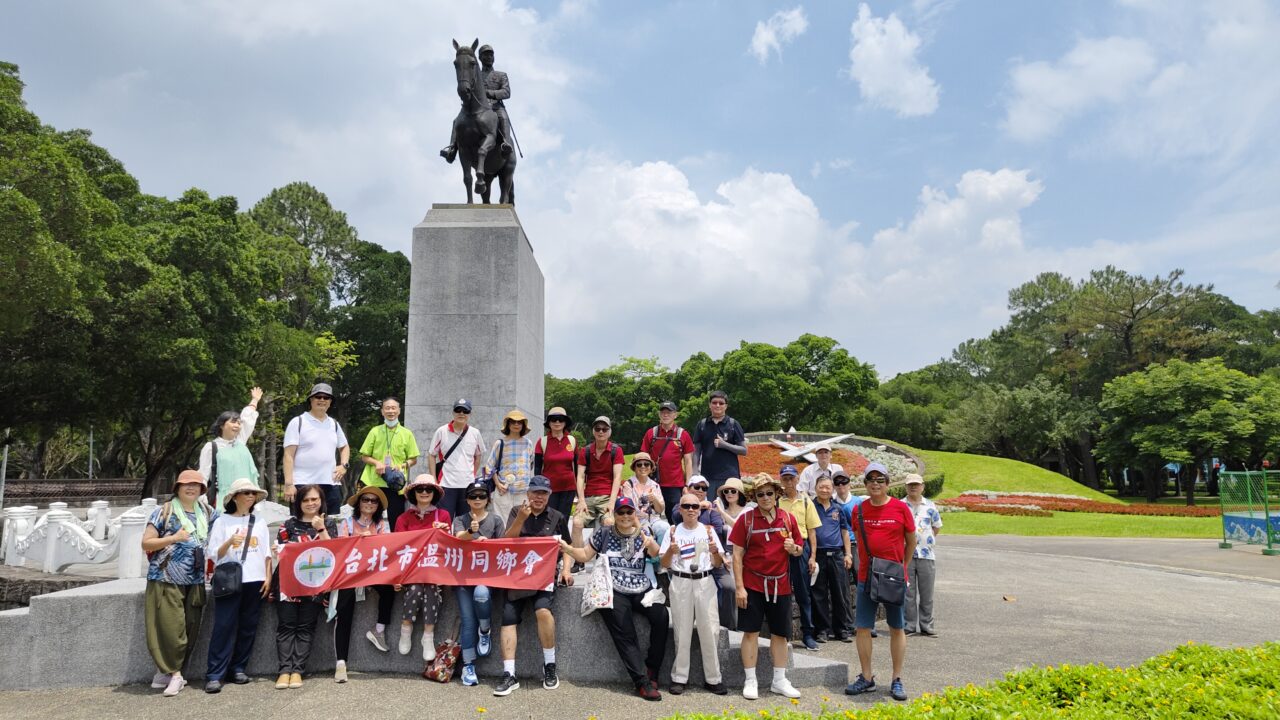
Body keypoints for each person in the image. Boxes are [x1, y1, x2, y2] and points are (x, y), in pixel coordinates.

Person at [563, 497, 667, 701]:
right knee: (624, 629)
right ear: (615, 515)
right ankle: (642, 682)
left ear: (635, 514)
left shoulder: (644, 532)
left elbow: (657, 556)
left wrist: (649, 540)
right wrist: (566, 549)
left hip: (641, 587)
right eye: (621, 512)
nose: (626, 516)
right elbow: (584, 555)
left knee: (661, 616)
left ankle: (652, 670)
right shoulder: (604, 532)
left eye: (630, 512)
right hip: (613, 587)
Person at [494, 475, 574, 696]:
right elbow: (506, 541)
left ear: (549, 495)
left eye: (544, 493)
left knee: (543, 611)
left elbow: (566, 547)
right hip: (517, 576)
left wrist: (566, 569)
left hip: (544, 575)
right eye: (535, 492)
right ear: (528, 493)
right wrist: (521, 518)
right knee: (508, 617)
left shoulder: (557, 516)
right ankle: (509, 674)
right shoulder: (515, 512)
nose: (539, 497)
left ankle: (549, 666)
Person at [845, 462, 916, 702]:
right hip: (866, 576)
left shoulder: (900, 508)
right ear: (865, 484)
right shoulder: (859, 510)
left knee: (897, 627)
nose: (875, 483)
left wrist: (902, 567)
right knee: (863, 627)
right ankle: (866, 677)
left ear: (887, 484)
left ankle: (896, 679)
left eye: (880, 480)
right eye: (871, 479)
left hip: (893, 577)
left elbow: (911, 541)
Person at [142, 470, 216, 697]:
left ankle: (167, 672)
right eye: (186, 485)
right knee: (171, 628)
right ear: (177, 488)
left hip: (194, 579)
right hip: (166, 578)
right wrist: (173, 538)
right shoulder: (163, 512)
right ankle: (175, 675)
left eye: (196, 485)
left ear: (202, 490)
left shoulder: (207, 512)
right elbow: (146, 543)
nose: (191, 488)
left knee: (190, 629)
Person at [728, 474, 802, 700]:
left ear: (777, 494)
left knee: (781, 634)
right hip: (753, 585)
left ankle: (779, 680)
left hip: (781, 585)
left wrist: (794, 549)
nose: (765, 497)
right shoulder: (746, 520)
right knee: (750, 633)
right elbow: (737, 555)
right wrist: (739, 588)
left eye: (769, 493)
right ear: (754, 497)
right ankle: (751, 680)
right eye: (760, 494)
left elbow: (799, 548)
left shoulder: (788, 519)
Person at [203, 478, 272, 693]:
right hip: (230, 579)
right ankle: (215, 673)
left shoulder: (259, 521)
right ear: (234, 497)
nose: (250, 497)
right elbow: (214, 553)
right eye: (245, 493)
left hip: (256, 578)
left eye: (253, 493)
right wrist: (229, 542)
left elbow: (266, 552)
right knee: (224, 626)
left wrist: (268, 577)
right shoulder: (222, 521)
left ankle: (239, 667)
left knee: (248, 626)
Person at [660, 492, 728, 696]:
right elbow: (664, 564)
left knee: (710, 630)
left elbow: (717, 564)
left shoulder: (708, 530)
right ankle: (679, 677)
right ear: (680, 509)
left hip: (705, 581)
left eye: (695, 506)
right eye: (687, 506)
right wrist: (671, 551)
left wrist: (716, 552)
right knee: (682, 630)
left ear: (700, 510)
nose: (691, 509)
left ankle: (713, 678)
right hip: (681, 581)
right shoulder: (673, 531)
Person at [274, 484, 338, 690]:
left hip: (315, 585)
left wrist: (321, 529)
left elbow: (334, 551)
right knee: (286, 626)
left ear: (321, 501)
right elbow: (280, 552)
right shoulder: (288, 525)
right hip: (288, 583)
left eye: (314, 499)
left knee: (306, 627)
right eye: (306, 500)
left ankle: (298, 671)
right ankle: (284, 670)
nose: (311, 504)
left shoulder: (329, 523)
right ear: (299, 503)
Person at [331, 486, 396, 683]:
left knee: (390, 589)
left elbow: (387, 548)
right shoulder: (347, 523)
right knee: (344, 610)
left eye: (374, 501)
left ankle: (379, 629)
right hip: (350, 573)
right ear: (358, 503)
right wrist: (359, 540)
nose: (369, 503)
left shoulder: (382, 525)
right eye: (365, 499)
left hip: (374, 571)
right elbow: (340, 548)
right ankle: (341, 662)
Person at [453, 478, 506, 687]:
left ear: (488, 499)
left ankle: (485, 630)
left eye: (482, 496)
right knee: (467, 621)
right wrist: (470, 533)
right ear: (467, 500)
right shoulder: (460, 520)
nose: (477, 499)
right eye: (473, 496)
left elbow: (504, 548)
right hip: (463, 576)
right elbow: (457, 538)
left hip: (486, 575)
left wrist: (488, 543)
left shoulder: (496, 521)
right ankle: (468, 665)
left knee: (482, 593)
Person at [394, 475, 452, 660]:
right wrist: (396, 577)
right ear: (414, 493)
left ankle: (428, 636)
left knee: (432, 588)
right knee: (416, 588)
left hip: (434, 569)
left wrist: (445, 532)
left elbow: (449, 546)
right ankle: (406, 628)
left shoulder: (443, 515)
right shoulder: (403, 518)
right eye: (420, 489)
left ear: (434, 493)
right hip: (411, 570)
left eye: (429, 489)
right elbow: (397, 548)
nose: (425, 492)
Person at [282, 383, 350, 511]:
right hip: (302, 484)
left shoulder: (334, 424)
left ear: (330, 402)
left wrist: (344, 465)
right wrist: (289, 484)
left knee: (330, 526)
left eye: (326, 397)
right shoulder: (298, 422)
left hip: (331, 483)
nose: (322, 400)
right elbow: (288, 455)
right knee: (302, 527)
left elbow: (344, 447)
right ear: (311, 400)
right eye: (318, 397)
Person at [356, 397, 419, 532]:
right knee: (369, 515)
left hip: (396, 483)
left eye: (393, 408)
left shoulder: (407, 434)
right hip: (374, 481)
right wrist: (377, 463)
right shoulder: (374, 431)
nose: (390, 411)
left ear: (399, 411)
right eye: (387, 408)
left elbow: (413, 459)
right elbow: (364, 456)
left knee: (396, 518)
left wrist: (402, 465)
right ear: (382, 412)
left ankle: (396, 547)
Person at [441, 43, 512, 162]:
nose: (489, 57)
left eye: (491, 55)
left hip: (495, 106)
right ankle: (452, 149)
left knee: (503, 117)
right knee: (457, 121)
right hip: (476, 106)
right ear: (479, 58)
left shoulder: (501, 75)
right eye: (485, 55)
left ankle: (506, 144)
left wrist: (489, 93)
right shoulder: (474, 73)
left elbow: (506, 92)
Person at [778, 465, 822, 650]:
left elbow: (812, 531)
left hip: (801, 548)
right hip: (780, 549)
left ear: (797, 479)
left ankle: (807, 634)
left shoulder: (806, 501)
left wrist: (812, 556)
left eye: (791, 478)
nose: (789, 481)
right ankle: (784, 634)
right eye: (785, 478)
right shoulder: (776, 501)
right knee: (783, 593)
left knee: (804, 594)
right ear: (781, 480)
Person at [199, 388, 263, 508]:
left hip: (247, 497)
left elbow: (247, 419)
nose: (237, 425)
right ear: (222, 425)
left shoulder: (240, 443)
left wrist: (255, 400)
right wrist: (201, 499)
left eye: (239, 423)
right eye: (233, 422)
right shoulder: (212, 447)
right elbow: (203, 474)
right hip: (224, 499)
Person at [811, 476, 854, 643]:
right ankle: (822, 630)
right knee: (819, 594)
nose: (824, 490)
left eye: (828, 487)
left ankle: (841, 630)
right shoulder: (811, 507)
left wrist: (848, 554)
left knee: (840, 593)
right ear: (815, 487)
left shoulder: (838, 509)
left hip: (836, 555)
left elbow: (844, 532)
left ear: (833, 489)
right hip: (818, 555)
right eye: (821, 487)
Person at [428, 398, 486, 520]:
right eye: (458, 410)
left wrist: (472, 474)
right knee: (444, 521)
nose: (461, 413)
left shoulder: (475, 433)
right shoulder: (441, 431)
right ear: (453, 412)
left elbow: (478, 456)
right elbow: (431, 455)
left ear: (470, 414)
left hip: (467, 485)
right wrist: (434, 479)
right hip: (446, 485)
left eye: (465, 411)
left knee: (465, 522)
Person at [902, 474, 942, 638]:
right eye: (910, 485)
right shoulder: (900, 505)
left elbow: (936, 527)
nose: (913, 487)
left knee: (927, 593)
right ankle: (909, 625)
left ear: (922, 487)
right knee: (908, 592)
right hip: (906, 555)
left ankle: (927, 625)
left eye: (916, 484)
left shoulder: (930, 506)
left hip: (926, 555)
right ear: (906, 487)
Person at [640, 401, 695, 516]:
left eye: (669, 412)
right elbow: (643, 457)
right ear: (659, 415)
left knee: (674, 516)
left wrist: (687, 485)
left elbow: (688, 461)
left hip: (675, 485)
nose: (665, 415)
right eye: (663, 412)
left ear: (675, 415)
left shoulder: (682, 434)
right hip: (653, 482)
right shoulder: (651, 433)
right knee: (650, 515)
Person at [831, 469, 865, 639]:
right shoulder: (832, 503)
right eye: (837, 483)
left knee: (862, 584)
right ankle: (850, 624)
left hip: (858, 546)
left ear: (849, 483)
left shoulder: (859, 502)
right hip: (841, 547)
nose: (841, 486)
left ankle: (864, 623)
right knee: (843, 587)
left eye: (844, 482)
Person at [691, 390, 747, 496]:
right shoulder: (702, 424)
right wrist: (694, 474)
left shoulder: (733, 424)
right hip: (708, 476)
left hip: (729, 477)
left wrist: (724, 445)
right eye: (714, 402)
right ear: (709, 405)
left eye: (721, 403)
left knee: (729, 508)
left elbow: (743, 450)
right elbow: (697, 451)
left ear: (726, 406)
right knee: (709, 508)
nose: (717, 405)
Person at [713, 476, 750, 629]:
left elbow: (739, 528)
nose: (729, 493)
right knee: (730, 589)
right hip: (727, 553)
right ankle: (731, 626)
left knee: (744, 589)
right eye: (726, 491)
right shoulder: (722, 512)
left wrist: (721, 511)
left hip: (744, 554)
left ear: (739, 493)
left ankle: (745, 625)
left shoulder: (747, 510)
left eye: (733, 491)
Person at [575, 415, 624, 530]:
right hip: (588, 497)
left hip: (607, 497)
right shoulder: (585, 451)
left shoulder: (616, 450)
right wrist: (581, 500)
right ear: (593, 431)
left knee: (609, 522)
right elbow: (580, 477)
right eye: (597, 429)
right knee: (577, 523)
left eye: (604, 429)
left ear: (610, 432)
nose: (601, 432)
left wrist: (612, 502)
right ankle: (577, 549)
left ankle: (607, 548)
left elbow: (617, 477)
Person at [486, 409, 534, 524]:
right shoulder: (500, 443)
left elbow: (530, 464)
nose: (516, 425)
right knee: (503, 524)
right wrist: (498, 484)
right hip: (504, 491)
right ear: (508, 424)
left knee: (522, 525)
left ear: (523, 425)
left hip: (523, 491)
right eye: (513, 422)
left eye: (519, 422)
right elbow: (489, 467)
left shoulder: (528, 443)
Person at [533, 407, 577, 519]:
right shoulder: (542, 441)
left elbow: (577, 466)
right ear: (549, 422)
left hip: (569, 488)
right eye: (554, 419)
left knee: (563, 519)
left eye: (560, 419)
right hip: (548, 489)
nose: (557, 422)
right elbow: (537, 468)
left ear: (565, 422)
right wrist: (538, 489)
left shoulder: (571, 440)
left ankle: (563, 537)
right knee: (548, 520)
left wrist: (579, 488)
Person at [621, 452, 667, 536]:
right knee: (647, 533)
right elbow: (629, 510)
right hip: (636, 521)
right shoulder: (628, 485)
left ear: (650, 468)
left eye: (646, 464)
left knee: (665, 528)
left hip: (654, 520)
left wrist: (655, 500)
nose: (643, 467)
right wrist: (640, 529)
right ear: (634, 468)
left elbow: (660, 510)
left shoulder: (655, 485)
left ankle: (660, 549)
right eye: (639, 465)